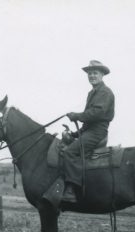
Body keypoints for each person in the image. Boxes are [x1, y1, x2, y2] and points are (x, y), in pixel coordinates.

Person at [44, 60, 115, 203]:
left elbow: (97, 113)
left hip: (97, 132)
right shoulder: (93, 92)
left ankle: (71, 190)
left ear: (102, 74)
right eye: (90, 73)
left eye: (95, 73)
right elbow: (89, 120)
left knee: (70, 152)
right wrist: (75, 134)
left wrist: (76, 115)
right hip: (90, 131)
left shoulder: (105, 92)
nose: (92, 76)